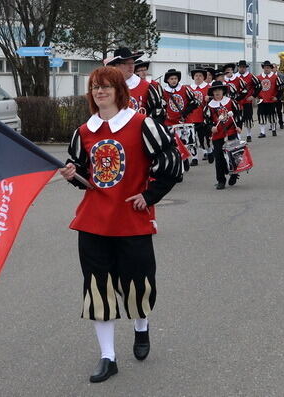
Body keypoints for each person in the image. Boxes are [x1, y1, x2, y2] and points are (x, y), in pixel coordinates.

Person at [60, 66, 182, 383]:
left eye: (106, 87)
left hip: (131, 219)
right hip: (93, 221)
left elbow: (171, 162)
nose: (100, 92)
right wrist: (74, 177)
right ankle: (108, 356)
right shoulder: (83, 132)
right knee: (98, 288)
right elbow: (86, 178)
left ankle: (141, 328)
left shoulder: (142, 124)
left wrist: (150, 194)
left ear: (118, 90)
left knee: (138, 283)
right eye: (95, 87)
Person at [104, 48, 166, 124]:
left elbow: (158, 111)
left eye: (132, 63)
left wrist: (147, 127)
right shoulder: (108, 87)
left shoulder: (146, 87)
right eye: (126, 63)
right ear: (116, 65)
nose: (131, 66)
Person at [204, 80, 242, 189]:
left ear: (223, 91)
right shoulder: (209, 106)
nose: (217, 92)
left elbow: (238, 116)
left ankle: (234, 174)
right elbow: (206, 121)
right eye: (215, 90)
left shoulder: (231, 102)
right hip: (218, 135)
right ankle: (221, 180)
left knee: (233, 156)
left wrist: (239, 126)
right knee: (219, 158)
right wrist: (211, 128)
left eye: (219, 90)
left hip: (231, 132)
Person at [184, 68, 211, 166]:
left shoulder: (208, 87)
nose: (198, 77)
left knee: (203, 137)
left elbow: (215, 99)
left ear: (203, 77)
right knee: (192, 139)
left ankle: (208, 151)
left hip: (203, 117)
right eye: (196, 76)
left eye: (200, 75)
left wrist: (210, 98)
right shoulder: (188, 88)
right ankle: (194, 157)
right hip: (190, 118)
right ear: (193, 77)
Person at [255, 60, 282, 138]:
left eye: (268, 68)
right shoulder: (258, 77)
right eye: (265, 67)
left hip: (271, 100)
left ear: (271, 68)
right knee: (261, 115)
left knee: (272, 115)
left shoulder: (275, 77)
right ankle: (262, 132)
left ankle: (273, 130)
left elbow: (280, 88)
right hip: (261, 100)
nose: (266, 69)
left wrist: (277, 97)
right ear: (263, 68)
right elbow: (255, 88)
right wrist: (256, 96)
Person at [234, 60, 257, 141]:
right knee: (238, 119)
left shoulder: (250, 76)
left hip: (247, 101)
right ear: (238, 67)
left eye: (243, 67)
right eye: (240, 67)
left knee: (248, 118)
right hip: (237, 102)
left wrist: (253, 96)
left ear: (246, 68)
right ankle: (238, 136)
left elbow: (258, 86)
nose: (242, 69)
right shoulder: (234, 77)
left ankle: (249, 134)